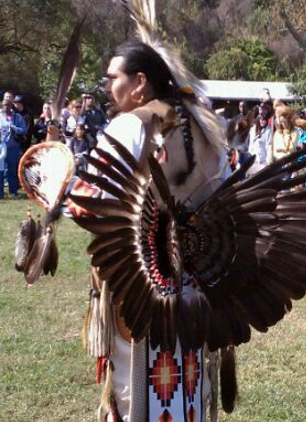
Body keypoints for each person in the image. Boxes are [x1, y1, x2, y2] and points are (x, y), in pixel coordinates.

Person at [71, 39, 229, 422]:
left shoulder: (130, 125)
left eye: (113, 78)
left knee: (135, 386)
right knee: (187, 378)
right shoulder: (204, 127)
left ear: (140, 82)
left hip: (141, 282)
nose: (108, 87)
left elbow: (94, 203)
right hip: (195, 281)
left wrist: (67, 195)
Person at [0, 99, 27, 198]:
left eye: (8, 105)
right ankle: (1, 193)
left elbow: (24, 130)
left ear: (12, 106)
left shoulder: (17, 117)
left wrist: (14, 128)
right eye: (4, 105)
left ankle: (13, 192)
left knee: (12, 170)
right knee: (0, 171)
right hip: (1, 147)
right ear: (2, 105)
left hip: (13, 148)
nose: (6, 107)